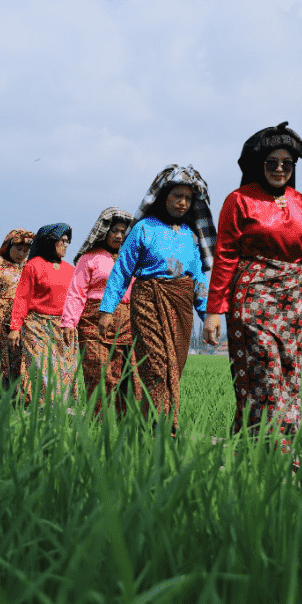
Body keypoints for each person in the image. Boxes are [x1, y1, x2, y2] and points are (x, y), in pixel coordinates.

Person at [202, 123, 302, 452]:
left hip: (293, 303)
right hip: (252, 299)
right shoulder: (239, 201)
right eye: (271, 162)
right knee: (263, 376)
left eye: (287, 163)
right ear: (258, 165)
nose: (280, 169)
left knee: (289, 378)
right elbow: (224, 256)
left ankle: (272, 460)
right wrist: (213, 311)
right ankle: (267, 458)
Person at [99, 164, 216, 434]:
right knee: (155, 365)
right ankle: (158, 426)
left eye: (188, 198)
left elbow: (198, 279)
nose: (182, 203)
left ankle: (157, 427)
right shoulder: (143, 229)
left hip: (182, 305)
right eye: (177, 196)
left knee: (175, 365)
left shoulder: (190, 236)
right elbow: (122, 270)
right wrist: (107, 309)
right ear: (164, 197)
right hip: (149, 300)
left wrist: (208, 316)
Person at [61, 208, 140, 418]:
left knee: (126, 375)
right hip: (93, 321)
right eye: (115, 230)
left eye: (124, 231)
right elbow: (76, 292)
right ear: (104, 231)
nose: (119, 236)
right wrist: (69, 322)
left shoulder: (131, 258)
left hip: (127, 321)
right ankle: (99, 423)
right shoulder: (89, 258)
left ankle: (124, 425)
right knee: (99, 372)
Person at [9, 224, 77, 405]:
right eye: (61, 240)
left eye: (67, 241)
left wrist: (72, 323)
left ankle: (61, 407)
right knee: (41, 365)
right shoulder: (33, 266)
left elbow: (74, 301)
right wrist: (15, 327)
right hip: (36, 324)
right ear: (50, 241)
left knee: (64, 368)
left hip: (62, 326)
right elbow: (22, 298)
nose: (66, 244)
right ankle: (37, 405)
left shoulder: (71, 270)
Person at [0, 229, 34, 389]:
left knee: (19, 359)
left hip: (21, 322)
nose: (21, 253)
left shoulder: (28, 266)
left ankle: (18, 398)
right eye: (18, 248)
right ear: (8, 246)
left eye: (25, 250)